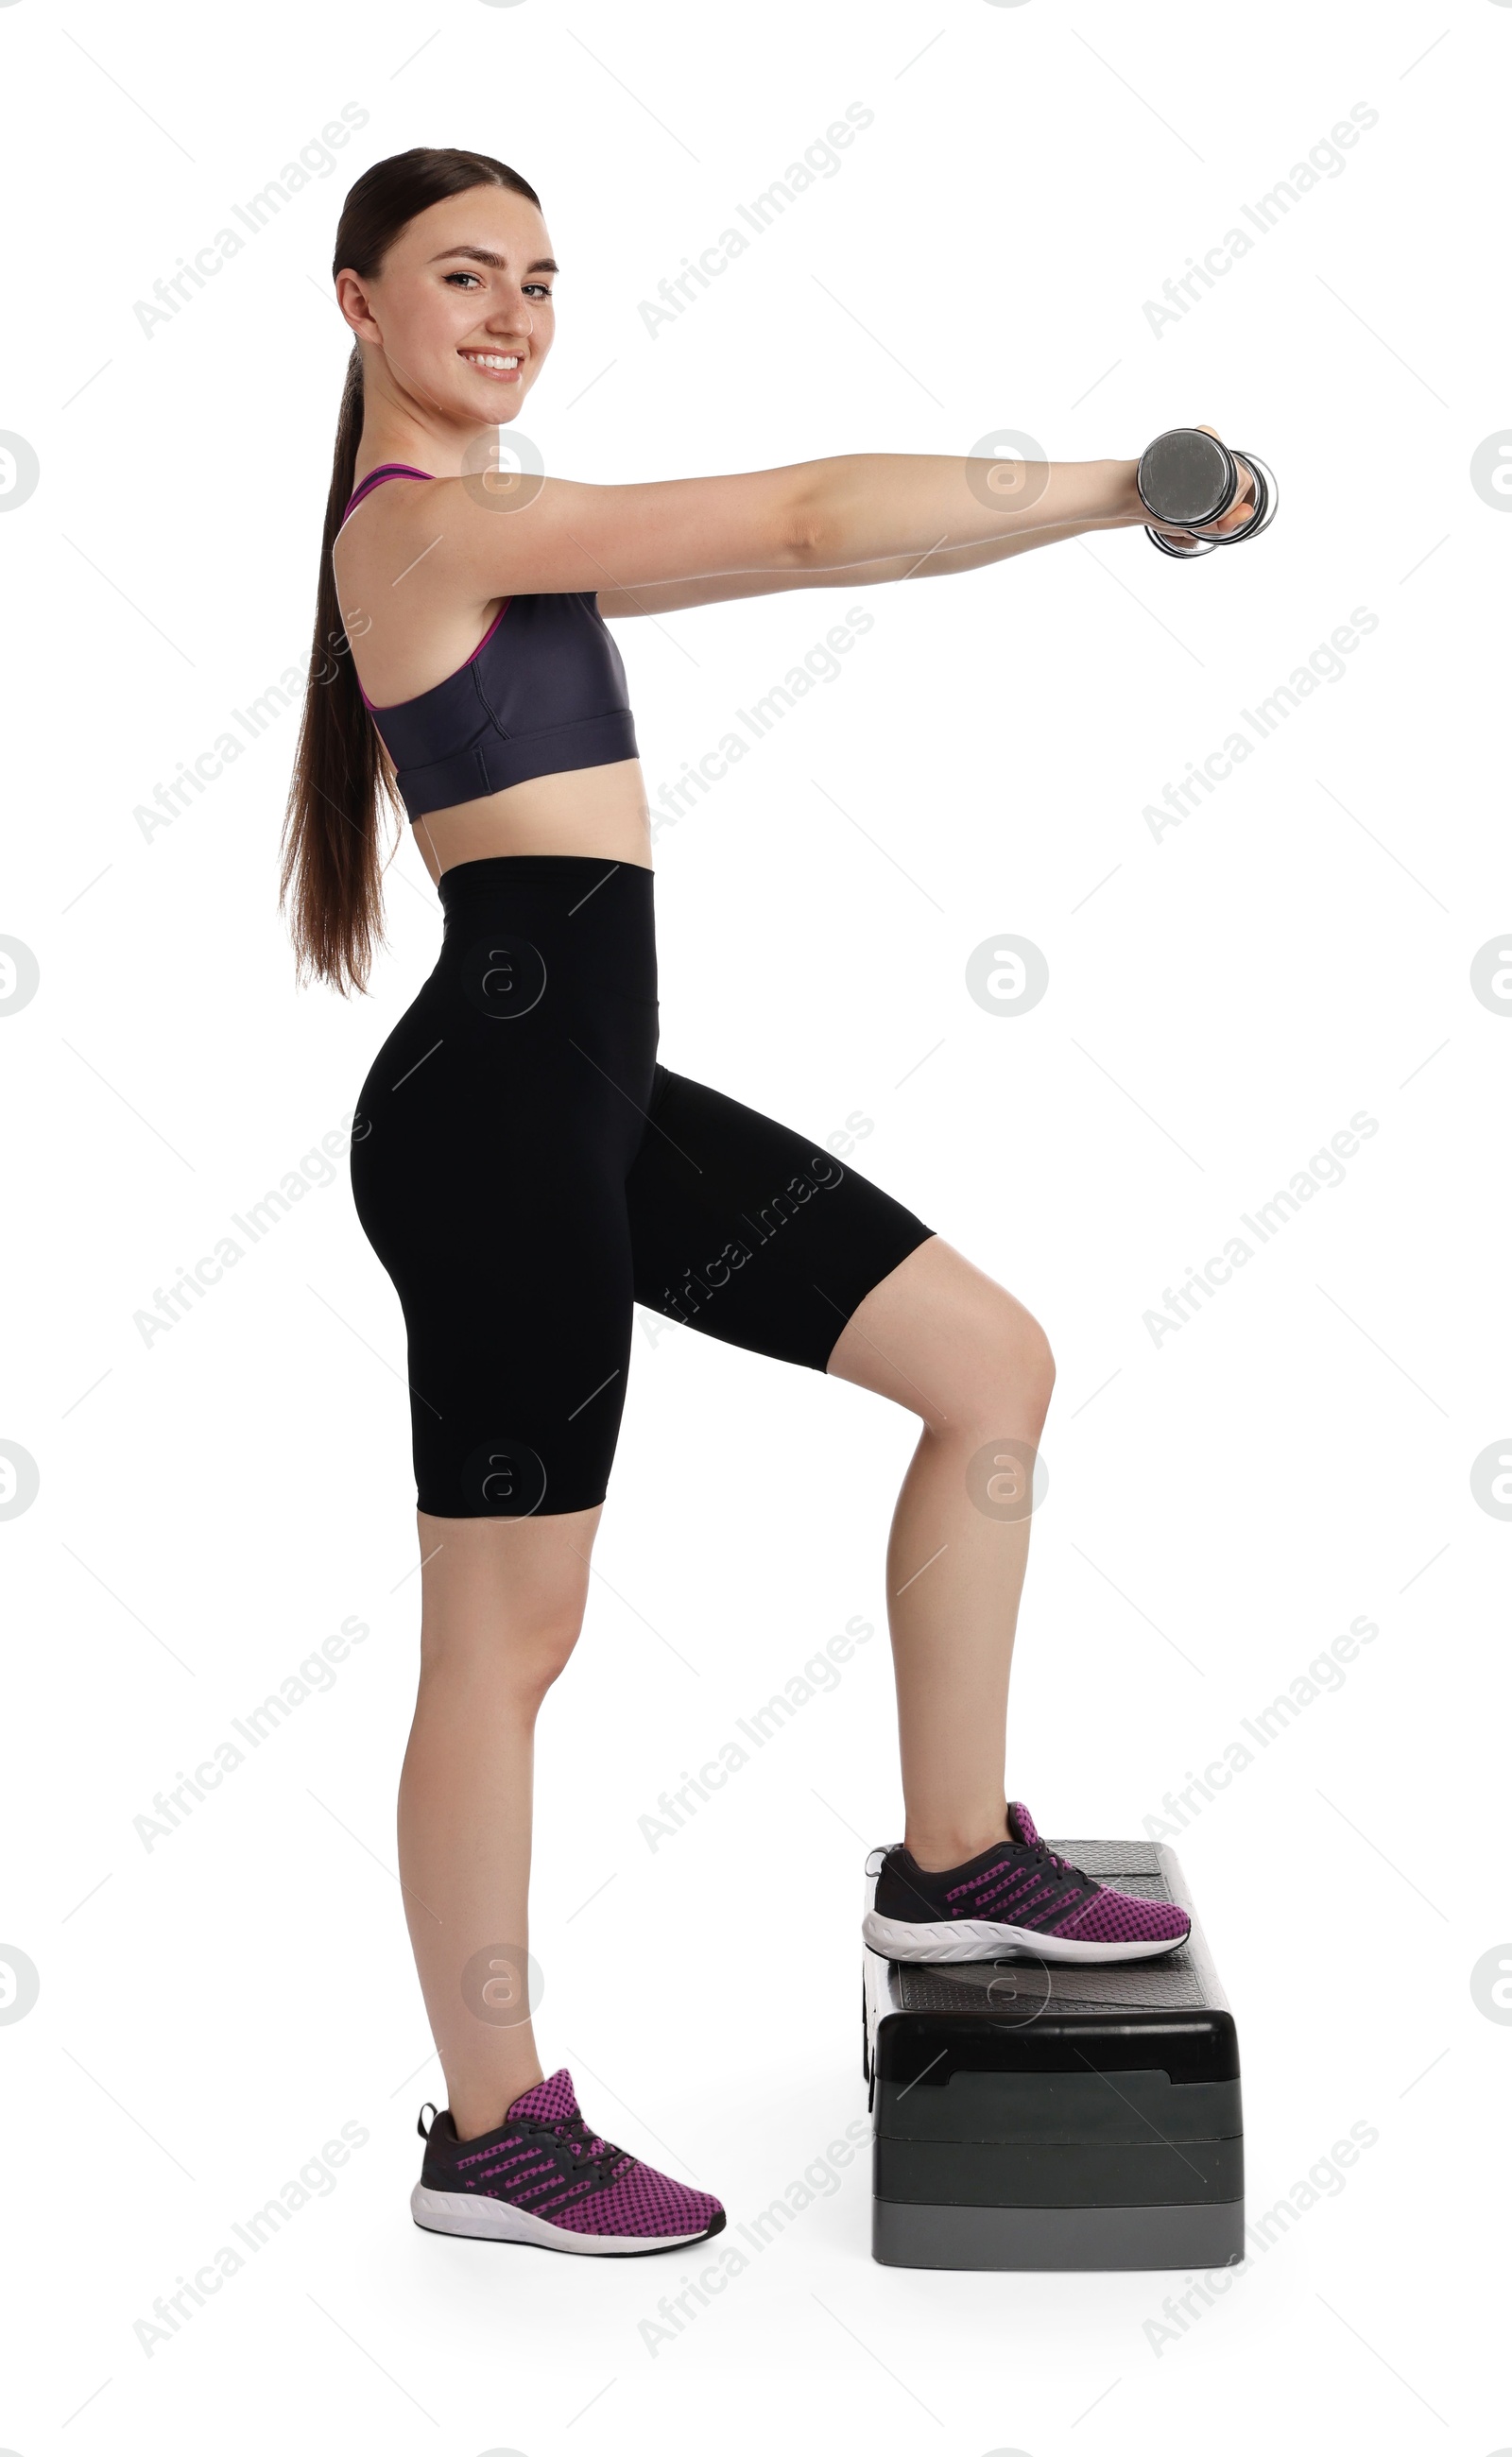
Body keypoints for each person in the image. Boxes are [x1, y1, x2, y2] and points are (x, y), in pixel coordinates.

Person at [281, 146, 1263, 2259]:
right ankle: (491, 2127)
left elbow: (833, 545)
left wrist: (1098, 501)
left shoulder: (510, 528)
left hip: (584, 1098)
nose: (514, 312)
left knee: (984, 1364)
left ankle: (945, 1854)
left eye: (540, 277)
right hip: (494, 1124)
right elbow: (815, 521)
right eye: (464, 276)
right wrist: (1123, 484)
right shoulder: (438, 530)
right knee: (506, 1641)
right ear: (354, 303)